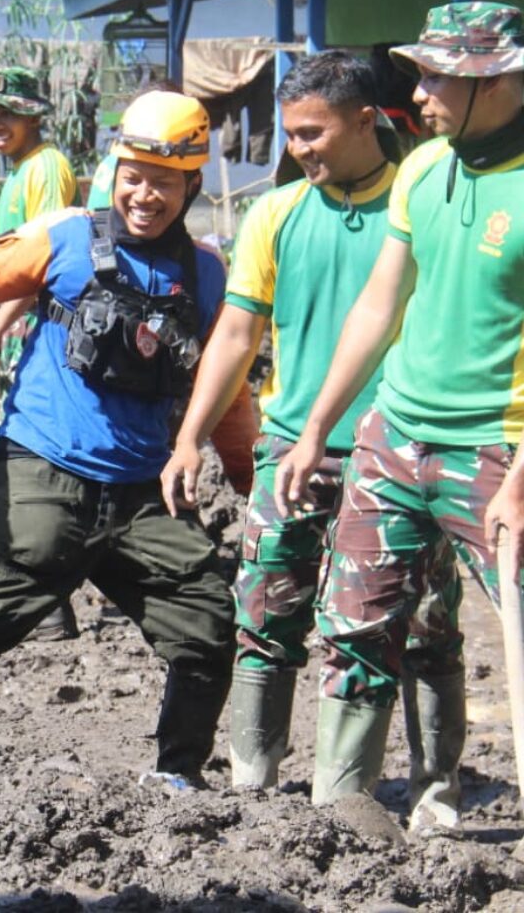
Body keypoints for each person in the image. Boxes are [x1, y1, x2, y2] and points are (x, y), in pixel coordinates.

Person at [0, 91, 252, 786]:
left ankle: (178, 776)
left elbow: (223, 380)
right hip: (44, 463)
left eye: (163, 182)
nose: (145, 195)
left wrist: (240, 464)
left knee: (204, 616)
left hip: (143, 486)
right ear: (114, 172)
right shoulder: (70, 240)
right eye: (133, 176)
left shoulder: (206, 273)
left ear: (191, 185)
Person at [160, 51, 460, 795]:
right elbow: (236, 333)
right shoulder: (277, 212)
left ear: (365, 120)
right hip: (293, 445)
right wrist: (191, 436)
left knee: (422, 623)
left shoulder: (425, 199)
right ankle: (253, 783)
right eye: (290, 135)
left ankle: (434, 787)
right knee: (266, 612)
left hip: (400, 450)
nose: (298, 149)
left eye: (312, 134)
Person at [274, 2, 524, 827]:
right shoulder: (422, 169)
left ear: (496, 79)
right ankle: (343, 808)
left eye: (436, 76)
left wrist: (521, 479)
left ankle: (440, 789)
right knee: (354, 621)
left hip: (496, 448)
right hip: (394, 436)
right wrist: (317, 426)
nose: (418, 94)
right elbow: (380, 304)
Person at [0, 69, 81, 639]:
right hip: (28, 332)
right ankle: (38, 604)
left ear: (35, 115)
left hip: (51, 332)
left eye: (5, 113)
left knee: (21, 465)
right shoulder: (21, 173)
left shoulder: (46, 170)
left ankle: (37, 605)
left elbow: (47, 266)